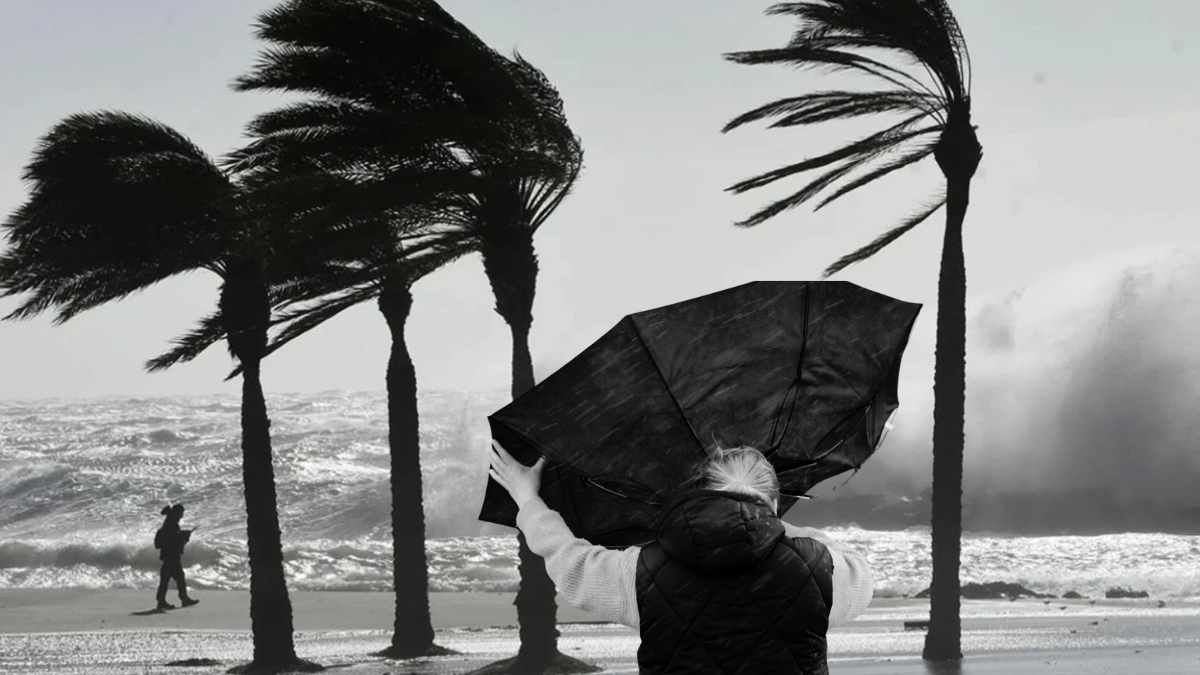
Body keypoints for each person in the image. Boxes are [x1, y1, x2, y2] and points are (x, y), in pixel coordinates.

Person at [489, 440, 873, 674]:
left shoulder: (643, 569)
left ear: (700, 493)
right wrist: (774, 524)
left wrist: (527, 499)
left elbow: (571, 562)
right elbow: (860, 573)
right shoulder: (820, 570)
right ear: (773, 500)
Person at [153, 503, 198, 610]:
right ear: (177, 513)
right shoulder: (172, 524)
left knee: (166, 580)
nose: (182, 516)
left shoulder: (169, 523)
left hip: (169, 556)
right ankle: (182, 599)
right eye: (181, 513)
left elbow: (171, 538)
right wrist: (184, 536)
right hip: (172, 557)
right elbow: (173, 540)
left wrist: (182, 536)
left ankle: (163, 601)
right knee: (178, 579)